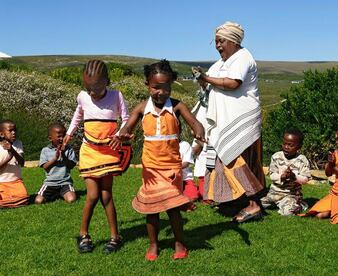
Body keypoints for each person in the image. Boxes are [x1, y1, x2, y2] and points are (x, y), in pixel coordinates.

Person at [119, 59, 205, 261]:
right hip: (151, 168)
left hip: (171, 167)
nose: (161, 92)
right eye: (156, 87)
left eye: (166, 87)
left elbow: (195, 123)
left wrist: (199, 131)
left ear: (171, 85)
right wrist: (123, 133)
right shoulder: (141, 108)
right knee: (152, 208)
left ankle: (179, 242)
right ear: (148, 86)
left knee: (173, 208)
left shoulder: (177, 107)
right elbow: (127, 126)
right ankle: (153, 244)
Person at [192, 21, 265, 223]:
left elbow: (233, 83)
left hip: (241, 117)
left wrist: (206, 77)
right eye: (215, 42)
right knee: (225, 158)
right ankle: (235, 199)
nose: (217, 46)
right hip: (226, 119)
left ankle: (254, 204)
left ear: (233, 40)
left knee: (234, 160)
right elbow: (211, 84)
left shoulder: (243, 58)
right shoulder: (220, 64)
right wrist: (202, 79)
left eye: (221, 41)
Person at [63, 60, 132, 254]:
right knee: (92, 195)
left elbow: (126, 119)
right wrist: (69, 133)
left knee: (106, 195)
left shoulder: (116, 96)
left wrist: (120, 135)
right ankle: (83, 234)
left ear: (107, 81)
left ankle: (115, 236)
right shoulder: (83, 96)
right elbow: (78, 114)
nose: (92, 92)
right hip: (90, 150)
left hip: (109, 151)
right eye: (88, 88)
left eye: (96, 88)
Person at [260, 129, 311, 215]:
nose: (286, 147)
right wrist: (282, 176)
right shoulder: (276, 156)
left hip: (291, 194)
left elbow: (306, 179)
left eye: (290, 145)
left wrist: (294, 177)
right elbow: (272, 175)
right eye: (284, 143)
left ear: (299, 146)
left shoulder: (302, 160)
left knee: (288, 212)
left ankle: (300, 205)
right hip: (273, 193)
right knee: (256, 204)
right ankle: (278, 203)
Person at [35, 123, 77, 204]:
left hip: (65, 182)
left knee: (71, 199)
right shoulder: (45, 150)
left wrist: (64, 155)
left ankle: (61, 193)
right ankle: (55, 193)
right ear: (50, 138)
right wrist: (55, 159)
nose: (62, 139)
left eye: (63, 136)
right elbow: (45, 167)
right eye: (59, 136)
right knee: (38, 201)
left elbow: (71, 165)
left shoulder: (69, 149)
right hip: (50, 183)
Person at [0, 120, 29, 208]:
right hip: (1, 182)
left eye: (15, 130)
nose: (14, 133)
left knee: (24, 198)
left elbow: (22, 163)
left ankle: (5, 203)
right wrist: (9, 158)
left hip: (16, 182)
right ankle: (10, 202)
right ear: (2, 134)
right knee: (18, 200)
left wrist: (12, 150)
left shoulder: (18, 143)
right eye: (10, 130)